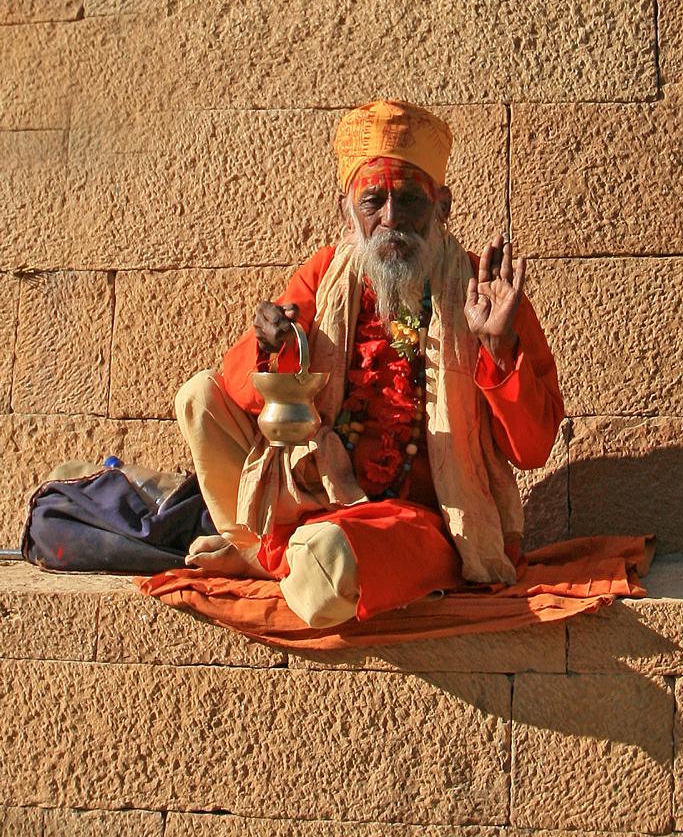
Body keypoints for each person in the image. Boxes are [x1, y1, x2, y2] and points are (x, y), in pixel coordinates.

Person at [175, 100, 564, 628]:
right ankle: (272, 550)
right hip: (314, 491)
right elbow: (246, 394)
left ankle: (278, 558)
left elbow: (534, 448)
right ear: (347, 211)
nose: (391, 220)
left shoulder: (484, 290)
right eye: (373, 201)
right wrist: (273, 344)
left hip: (423, 522)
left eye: (409, 201)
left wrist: (496, 350)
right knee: (198, 397)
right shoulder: (323, 275)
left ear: (442, 206)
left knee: (326, 571)